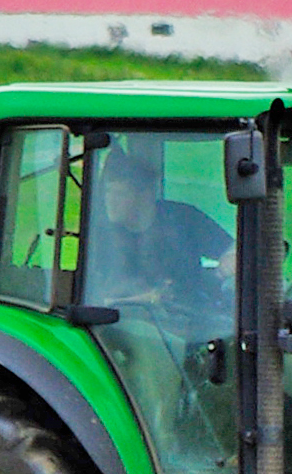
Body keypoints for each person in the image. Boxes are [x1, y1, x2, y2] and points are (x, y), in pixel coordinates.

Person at [84, 136, 233, 335]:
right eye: (108, 193)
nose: (109, 201)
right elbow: (99, 300)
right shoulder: (101, 235)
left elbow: (232, 248)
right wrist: (150, 298)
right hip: (122, 329)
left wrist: (227, 263)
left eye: (119, 194)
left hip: (189, 323)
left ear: (145, 195)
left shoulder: (183, 218)